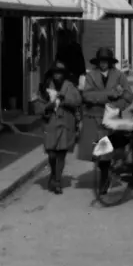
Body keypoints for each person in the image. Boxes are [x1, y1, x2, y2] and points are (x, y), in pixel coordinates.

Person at [77, 47, 133, 196]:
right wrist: (109, 95)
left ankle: (105, 178)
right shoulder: (91, 76)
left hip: (112, 118)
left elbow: (129, 95)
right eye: (101, 62)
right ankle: (105, 175)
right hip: (95, 118)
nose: (103, 64)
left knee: (108, 153)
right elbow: (87, 96)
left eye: (106, 62)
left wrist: (118, 105)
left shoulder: (119, 75)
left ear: (110, 62)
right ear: (97, 62)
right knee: (99, 153)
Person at [38, 61, 82, 194]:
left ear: (64, 75)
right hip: (51, 124)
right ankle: (53, 173)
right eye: (55, 73)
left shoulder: (70, 86)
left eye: (60, 73)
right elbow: (37, 105)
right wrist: (47, 107)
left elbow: (77, 102)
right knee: (51, 154)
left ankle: (57, 180)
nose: (57, 75)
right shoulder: (45, 87)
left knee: (61, 153)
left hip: (66, 123)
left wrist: (64, 100)